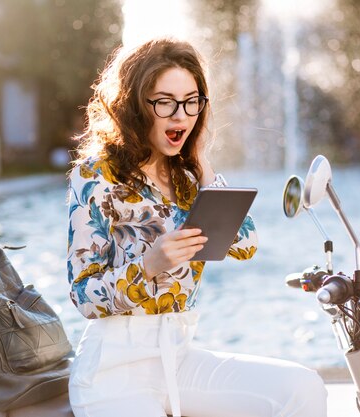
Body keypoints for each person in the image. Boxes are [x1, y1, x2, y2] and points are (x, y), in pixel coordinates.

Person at [66, 37, 327, 417]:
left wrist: (202, 164)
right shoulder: (94, 176)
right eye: (165, 102)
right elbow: (83, 296)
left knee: (301, 388)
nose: (180, 115)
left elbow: (244, 245)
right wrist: (149, 266)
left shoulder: (188, 179)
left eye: (191, 101)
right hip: (113, 372)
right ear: (135, 105)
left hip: (179, 359)